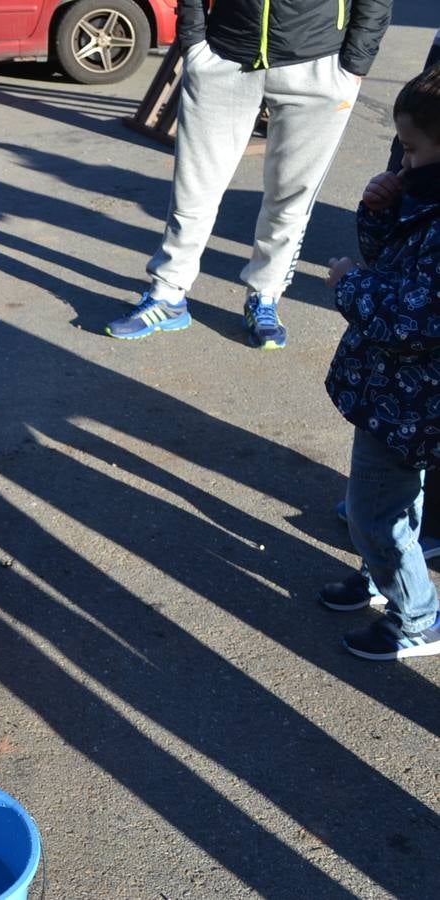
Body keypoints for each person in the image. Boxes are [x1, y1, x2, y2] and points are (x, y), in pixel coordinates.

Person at [106, 0, 392, 349]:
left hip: (319, 63)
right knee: (193, 189)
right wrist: (194, 41)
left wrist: (354, 63)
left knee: (291, 197)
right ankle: (167, 294)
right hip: (225, 53)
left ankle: (265, 295)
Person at [319, 65, 440, 660]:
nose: (403, 161)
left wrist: (348, 286)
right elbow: (393, 258)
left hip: (414, 397)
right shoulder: (426, 196)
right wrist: (379, 209)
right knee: (396, 502)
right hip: (401, 395)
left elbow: (414, 318)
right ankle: (386, 573)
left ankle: (417, 616)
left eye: (411, 149)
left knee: (372, 511)